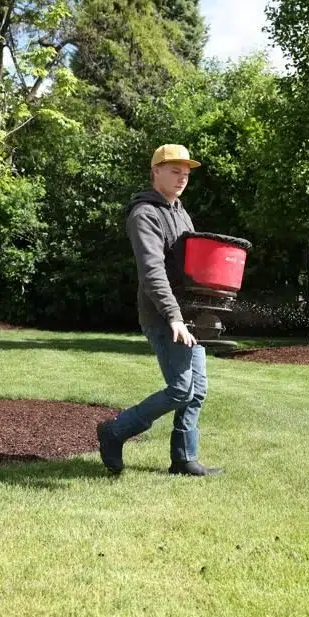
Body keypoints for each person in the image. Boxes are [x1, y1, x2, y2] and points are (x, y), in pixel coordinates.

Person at [97, 144, 223, 477]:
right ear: (156, 172)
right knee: (181, 389)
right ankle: (114, 431)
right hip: (165, 317)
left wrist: (207, 302)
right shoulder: (144, 215)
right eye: (174, 171)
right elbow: (152, 272)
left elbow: (190, 266)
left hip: (189, 316)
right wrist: (174, 317)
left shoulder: (181, 212)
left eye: (186, 173)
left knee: (198, 390)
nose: (182, 178)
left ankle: (183, 458)